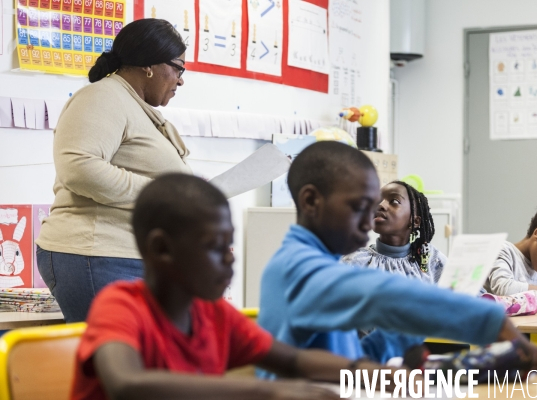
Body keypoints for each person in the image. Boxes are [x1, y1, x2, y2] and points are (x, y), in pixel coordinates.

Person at [71, 174, 398, 400]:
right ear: (162, 249)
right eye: (215, 246)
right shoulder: (121, 306)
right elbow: (128, 385)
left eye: (230, 245)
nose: (230, 259)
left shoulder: (214, 315)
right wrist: (269, 392)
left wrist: (372, 374)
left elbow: (293, 361)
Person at [258, 141, 537, 370]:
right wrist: (491, 320)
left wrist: (401, 335)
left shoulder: (316, 262)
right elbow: (383, 295)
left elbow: (351, 357)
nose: (371, 216)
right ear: (311, 201)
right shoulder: (298, 268)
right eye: (360, 206)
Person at [36, 19, 191, 322]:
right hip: (95, 253)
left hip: (123, 257)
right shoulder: (102, 97)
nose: (181, 80)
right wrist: (163, 194)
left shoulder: (136, 107)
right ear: (149, 65)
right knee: (117, 364)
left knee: (139, 361)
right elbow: (80, 168)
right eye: (178, 68)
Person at [343, 181, 445, 284]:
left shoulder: (432, 260)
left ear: (415, 221)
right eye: (378, 200)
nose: (380, 205)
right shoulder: (355, 261)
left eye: (394, 201)